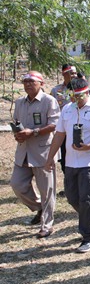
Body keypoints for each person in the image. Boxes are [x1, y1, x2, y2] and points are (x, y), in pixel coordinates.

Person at [44, 78, 90, 252]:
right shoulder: (67, 110)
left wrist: (89, 146)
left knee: (87, 199)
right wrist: (50, 158)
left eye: (78, 96)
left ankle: (89, 237)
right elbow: (59, 135)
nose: (74, 99)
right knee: (72, 198)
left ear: (86, 92)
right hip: (71, 162)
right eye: (71, 96)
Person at [10, 71, 60, 238]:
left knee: (47, 190)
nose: (28, 84)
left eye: (32, 81)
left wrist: (34, 132)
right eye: (25, 82)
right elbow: (17, 123)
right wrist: (18, 134)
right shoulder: (19, 103)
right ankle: (39, 208)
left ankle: (47, 224)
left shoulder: (49, 101)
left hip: (43, 151)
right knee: (17, 184)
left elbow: (55, 124)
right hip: (23, 151)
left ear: (41, 83)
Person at [51, 64, 78, 195]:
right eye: (70, 73)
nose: (73, 75)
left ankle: (78, 185)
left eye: (75, 73)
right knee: (64, 159)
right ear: (63, 74)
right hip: (63, 131)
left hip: (78, 129)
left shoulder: (82, 88)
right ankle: (69, 187)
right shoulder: (56, 90)